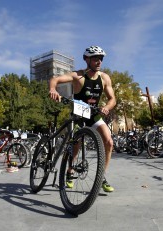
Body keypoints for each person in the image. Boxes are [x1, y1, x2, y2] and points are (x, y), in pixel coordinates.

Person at [49, 45, 116, 192]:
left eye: (101, 59)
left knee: (109, 142)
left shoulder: (104, 78)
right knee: (77, 143)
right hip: (79, 113)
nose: (99, 62)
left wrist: (107, 107)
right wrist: (53, 89)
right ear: (87, 59)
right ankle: (70, 171)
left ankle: (101, 176)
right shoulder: (77, 76)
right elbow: (55, 79)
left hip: (94, 113)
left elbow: (112, 99)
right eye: (95, 59)